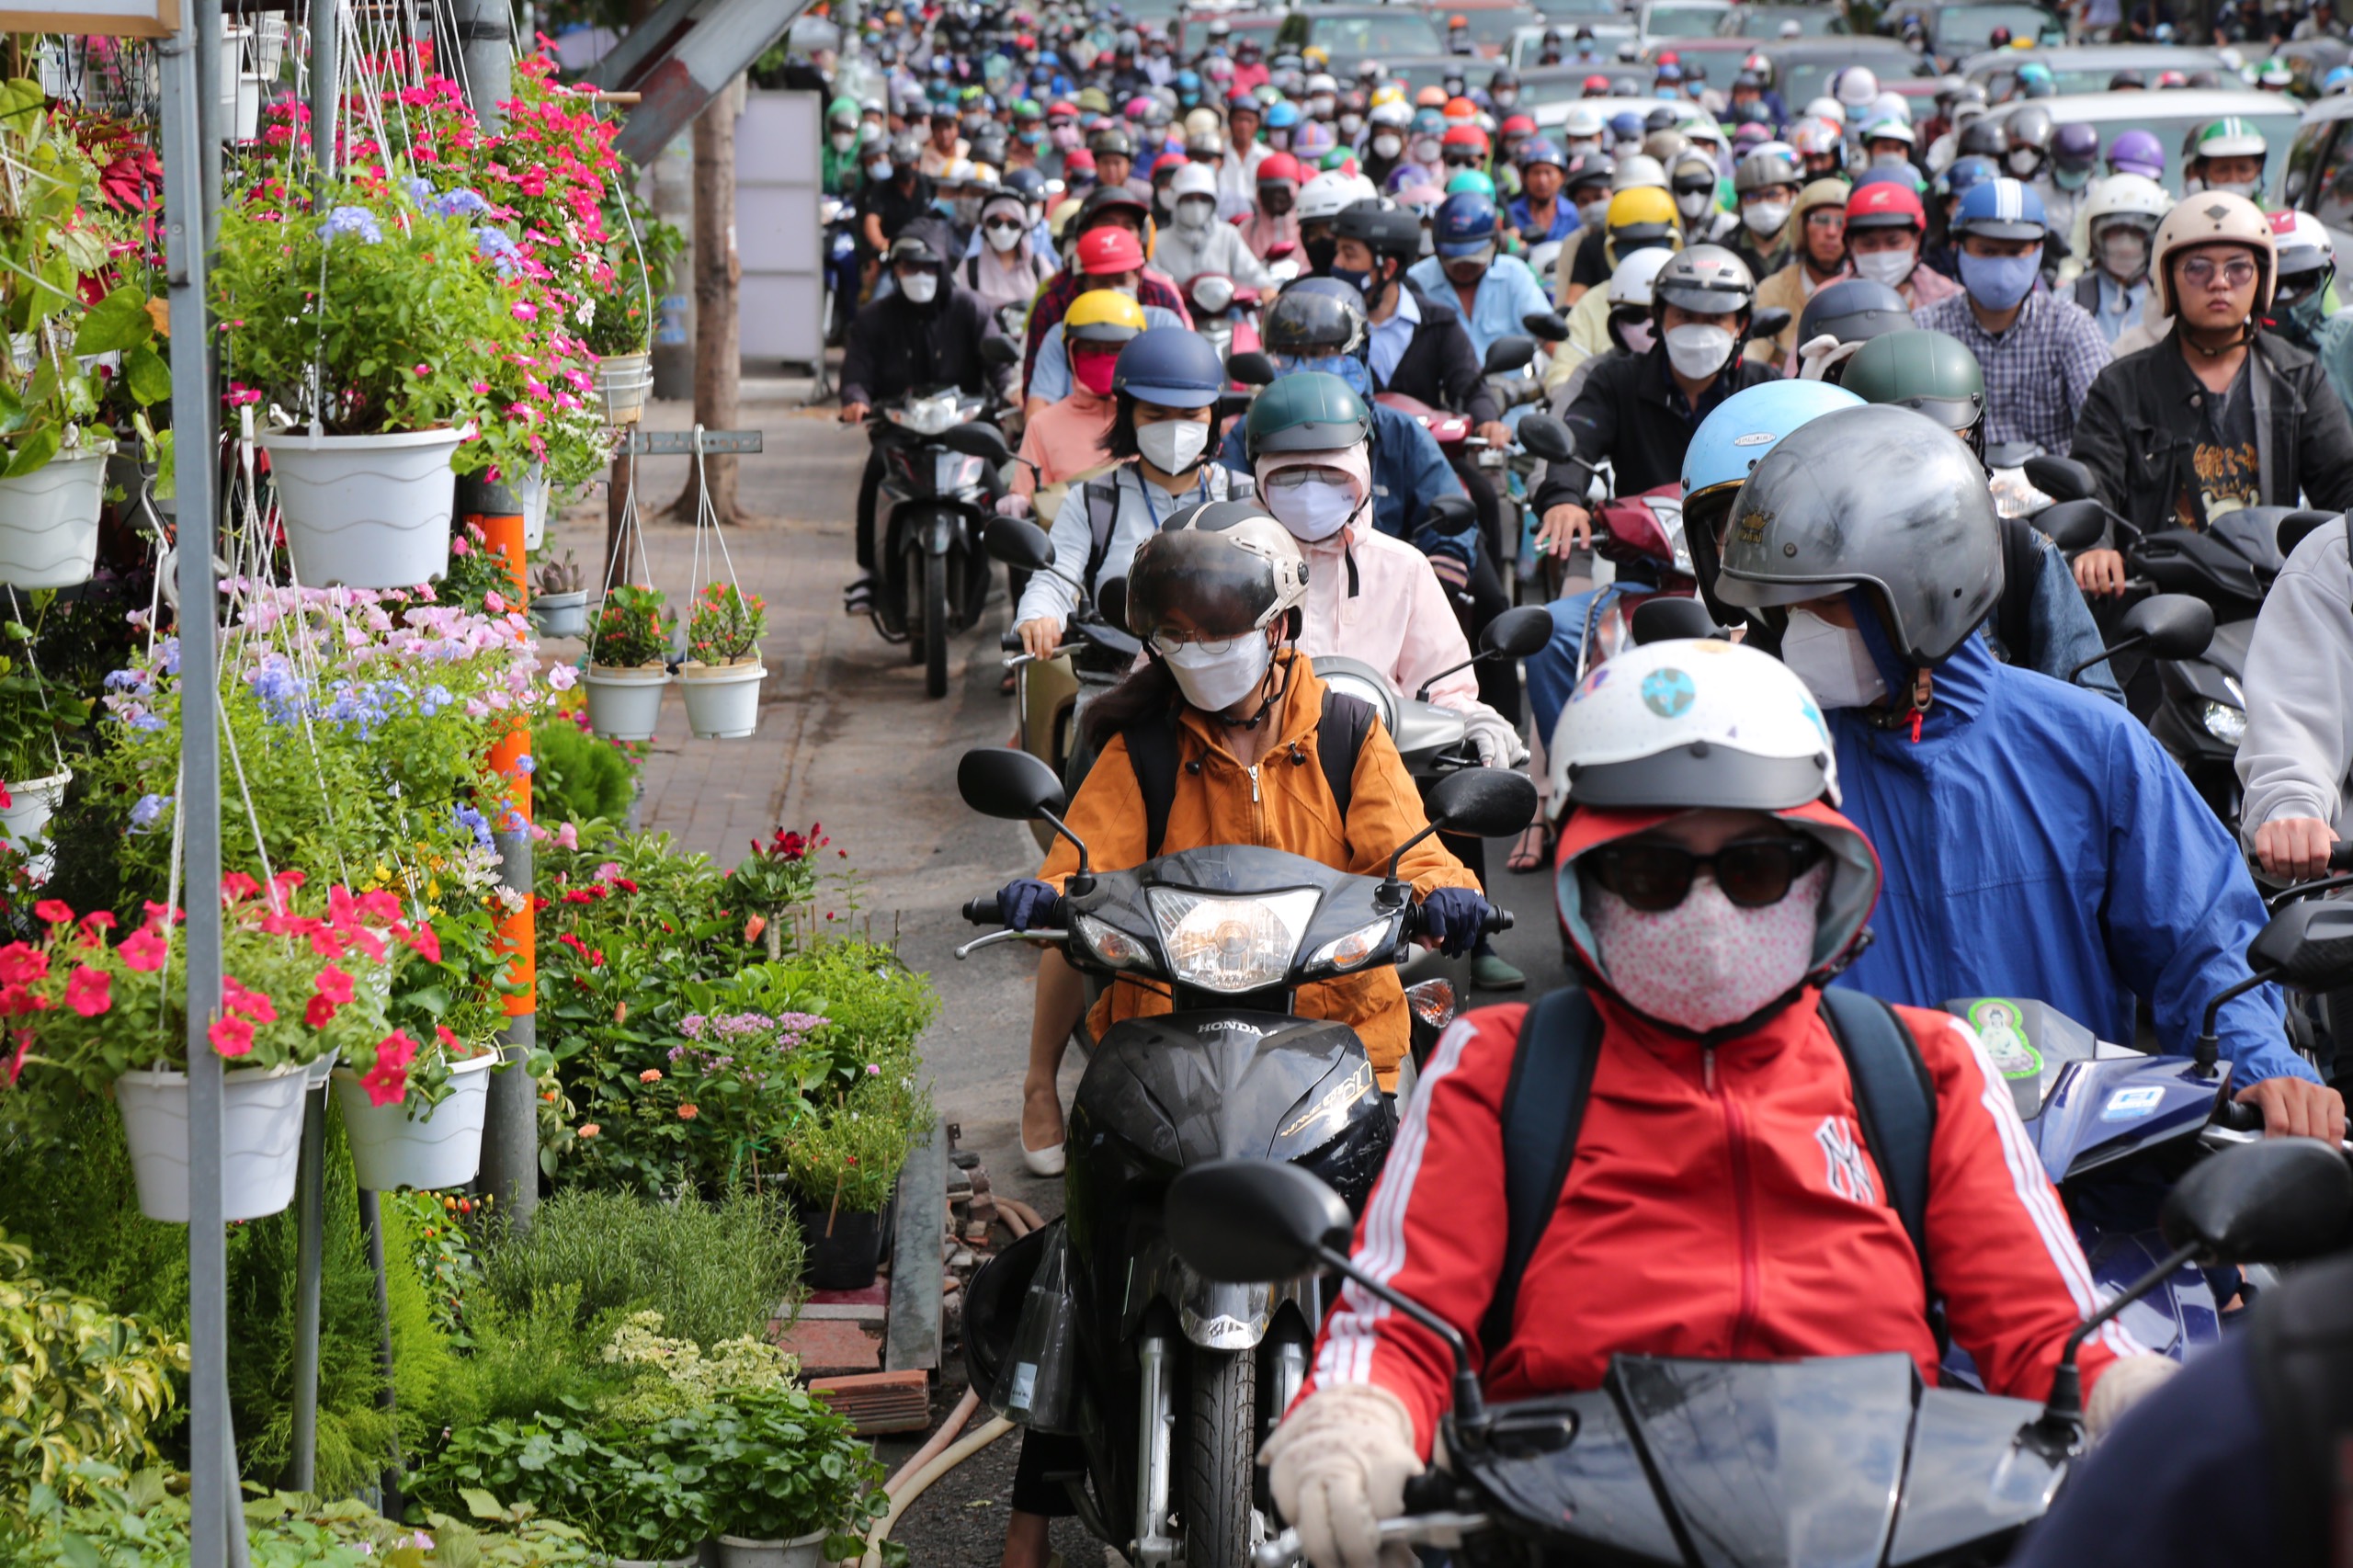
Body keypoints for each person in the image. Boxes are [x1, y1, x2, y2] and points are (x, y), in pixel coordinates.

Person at [1265, 635, 2176, 1568]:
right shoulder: (1496, 1067)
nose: (1707, 912)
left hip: (1878, 1528)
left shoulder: (1925, 1068)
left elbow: (2049, 1331)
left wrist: (2139, 1396)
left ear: (1819, 873)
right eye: (1652, 874)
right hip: (1574, 1536)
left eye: (1755, 869)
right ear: (1586, 886)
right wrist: (1353, 1418)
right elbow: (1400, 1320)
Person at [998, 504, 1488, 1568]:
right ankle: (1026, 1514)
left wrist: (1445, 894)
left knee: (1406, 1257)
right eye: (1174, 636)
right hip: (1170, 1029)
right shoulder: (1139, 745)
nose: (1198, 655)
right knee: (1083, 1247)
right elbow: (1089, 853)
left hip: (1332, 1034)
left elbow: (1408, 845)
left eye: (1220, 632)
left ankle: (1424, 1464)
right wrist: (1045, 893)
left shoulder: (1350, 732)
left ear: (1281, 628)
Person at [1711, 401, 2341, 1136]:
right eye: (1791, 610)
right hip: (1851, 1181)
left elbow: (2205, 944)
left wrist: (2265, 1068)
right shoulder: (1772, 769)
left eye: (1826, 604)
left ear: (1923, 591)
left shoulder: (2091, 748)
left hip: (2077, 1186)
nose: (1800, 631)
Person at [2071, 193, 2353, 599]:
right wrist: (2095, 548)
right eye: (2198, 268)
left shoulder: (2297, 377)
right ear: (2167, 279)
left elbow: (2341, 480)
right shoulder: (2121, 386)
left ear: (2262, 278)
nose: (2219, 282)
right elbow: (2093, 484)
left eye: (2238, 268)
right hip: (2158, 604)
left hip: (2271, 598)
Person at [1838, 328, 2120, 699]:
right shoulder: (1820, 562)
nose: (1925, 471)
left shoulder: (2018, 556)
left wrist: (2005, 714)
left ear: (1974, 441)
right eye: (1899, 452)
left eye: (1945, 446)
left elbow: (2096, 708)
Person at [1010, 326, 1245, 661]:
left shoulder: (1243, 496)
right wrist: (1038, 616)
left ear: (1213, 416)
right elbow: (1055, 576)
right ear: (1128, 415)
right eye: (1156, 414)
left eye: (1191, 415)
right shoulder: (1094, 500)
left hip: (1226, 683)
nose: (1175, 427)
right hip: (1115, 683)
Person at [1531, 245, 1776, 560]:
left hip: (1744, 569)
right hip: (1642, 567)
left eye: (1716, 318)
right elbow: (1578, 439)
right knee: (1558, 612)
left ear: (1741, 325)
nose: (1700, 330)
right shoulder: (1615, 381)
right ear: (1659, 318)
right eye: (1685, 316)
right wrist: (1563, 499)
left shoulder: (1764, 388)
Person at [838, 233, 1004, 608]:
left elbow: (999, 366)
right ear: (895, 270)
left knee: (1004, 495)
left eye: (927, 266)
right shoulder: (874, 318)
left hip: (964, 432)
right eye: (908, 266)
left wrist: (1010, 390)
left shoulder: (971, 309)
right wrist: (856, 400)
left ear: (942, 267)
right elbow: (856, 371)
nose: (918, 274)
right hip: (900, 431)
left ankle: (1019, 587)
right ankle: (866, 573)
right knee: (874, 472)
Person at [1914, 178, 2109, 458]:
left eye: (2016, 252)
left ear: (2039, 251)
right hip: (1954, 490)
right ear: (1958, 247)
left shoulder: (2071, 327)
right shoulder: (1926, 331)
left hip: (2053, 494)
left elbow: (2103, 420)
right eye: (1988, 251)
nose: (2002, 265)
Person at [1019, 187, 1190, 394]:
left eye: (1128, 227)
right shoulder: (1055, 302)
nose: (1116, 235)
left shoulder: (1161, 301)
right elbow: (1037, 395)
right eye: (1107, 225)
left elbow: (1185, 376)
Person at [1007, 289, 1140, 503]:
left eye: (1115, 349)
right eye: (1090, 348)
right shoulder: (1043, 425)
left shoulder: (1151, 415)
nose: (1103, 357)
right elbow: (1028, 497)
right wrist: (1020, 502)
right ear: (1070, 354)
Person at [1405, 191, 1557, 366]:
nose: (1464, 267)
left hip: (1516, 387)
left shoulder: (1514, 275)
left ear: (1496, 245)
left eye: (1474, 259)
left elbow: (1550, 339)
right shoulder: (1416, 282)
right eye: (1454, 260)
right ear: (1438, 251)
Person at [1750, 178, 1853, 367]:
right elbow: (1753, 352)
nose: (1831, 232)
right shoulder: (1773, 289)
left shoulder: (1862, 290)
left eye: (1841, 222)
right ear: (1802, 228)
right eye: (1820, 220)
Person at [2065, 174, 2165, 346]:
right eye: (2115, 232)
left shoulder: (2170, 297)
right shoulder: (2073, 296)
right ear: (2094, 236)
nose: (2126, 246)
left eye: (2138, 233)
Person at [1843, 180, 1962, 312]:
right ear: (1850, 244)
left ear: (1916, 241)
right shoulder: (1828, 302)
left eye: (1894, 242)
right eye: (1869, 244)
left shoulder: (1948, 300)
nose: (1882, 253)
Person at [1152, 163, 1273, 291]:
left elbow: (1252, 273)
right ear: (1176, 202)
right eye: (1188, 199)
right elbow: (1151, 282)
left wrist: (1266, 288)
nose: (1196, 205)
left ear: (1214, 202)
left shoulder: (1228, 235)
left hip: (1226, 309)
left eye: (1203, 199)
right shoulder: (1158, 242)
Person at [961, 184, 1059, 317]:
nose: (1003, 231)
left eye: (1012, 224)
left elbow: (1054, 307)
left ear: (1023, 227)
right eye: (996, 223)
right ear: (984, 226)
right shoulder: (969, 268)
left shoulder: (1039, 265)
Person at [854, 134, 937, 273]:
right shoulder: (881, 189)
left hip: (929, 256)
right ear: (892, 163)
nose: (905, 169)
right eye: (900, 164)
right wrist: (882, 244)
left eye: (908, 164)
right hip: (895, 259)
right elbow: (871, 222)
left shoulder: (930, 185)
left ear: (917, 162)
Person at [1728, 143, 1802, 283]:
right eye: (1752, 197)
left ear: (1791, 196)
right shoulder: (1727, 248)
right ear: (1740, 203)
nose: (1763, 203)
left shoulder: (1805, 246)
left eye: (1773, 194)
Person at [1506, 138, 1574, 246]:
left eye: (1548, 172)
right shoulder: (1510, 215)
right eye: (1536, 173)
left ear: (1562, 177)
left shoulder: (1573, 214)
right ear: (1523, 177)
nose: (1542, 180)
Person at [2184, 115, 2268, 199]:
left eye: (2243, 169)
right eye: (2222, 170)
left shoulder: (2276, 212)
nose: (2233, 179)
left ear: (2258, 169)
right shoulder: (2186, 212)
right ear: (2202, 171)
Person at [1241, 151, 1304, 260]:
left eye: (1281, 191)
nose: (1276, 198)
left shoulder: (1305, 228)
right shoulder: (1247, 231)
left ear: (1295, 191)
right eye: (1269, 192)